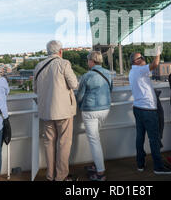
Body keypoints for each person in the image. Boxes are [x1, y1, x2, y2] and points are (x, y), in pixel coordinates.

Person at [33, 40, 78, 181]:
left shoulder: (38, 66)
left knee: (49, 143)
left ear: (47, 51)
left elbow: (35, 89)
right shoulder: (64, 63)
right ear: (60, 51)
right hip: (63, 111)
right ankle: (61, 176)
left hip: (46, 111)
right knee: (64, 143)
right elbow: (74, 84)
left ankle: (50, 175)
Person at [129, 46, 171, 175]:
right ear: (136, 61)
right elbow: (155, 64)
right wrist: (158, 53)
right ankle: (158, 167)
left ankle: (140, 163)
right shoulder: (139, 70)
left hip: (138, 108)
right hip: (148, 110)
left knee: (140, 137)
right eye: (141, 58)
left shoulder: (133, 72)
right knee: (154, 139)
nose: (143, 59)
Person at [76, 51, 112, 181]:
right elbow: (110, 89)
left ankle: (100, 173)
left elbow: (79, 96)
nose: (87, 63)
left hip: (90, 111)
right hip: (105, 109)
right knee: (96, 139)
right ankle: (98, 165)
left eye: (88, 61)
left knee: (94, 141)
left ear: (91, 61)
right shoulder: (108, 73)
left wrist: (79, 106)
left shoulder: (87, 76)